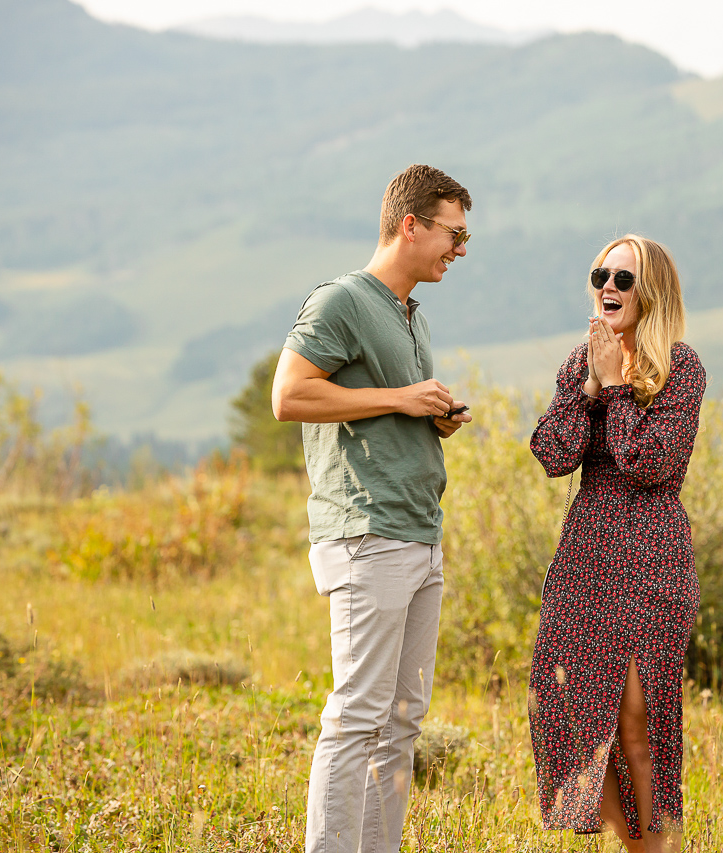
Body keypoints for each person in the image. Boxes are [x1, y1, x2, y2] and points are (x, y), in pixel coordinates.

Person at [271, 164, 474, 853]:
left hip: (420, 536)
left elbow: (382, 407)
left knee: (403, 721)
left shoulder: (410, 313)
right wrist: (398, 399)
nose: (461, 248)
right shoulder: (342, 301)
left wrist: (431, 417)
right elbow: (289, 395)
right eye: (454, 232)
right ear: (410, 224)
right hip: (366, 535)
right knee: (357, 715)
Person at [528, 234, 706, 853]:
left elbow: (650, 462)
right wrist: (590, 389)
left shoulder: (682, 368)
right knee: (567, 711)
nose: (608, 286)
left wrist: (623, 387)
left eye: (624, 279)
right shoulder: (581, 364)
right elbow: (553, 454)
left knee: (637, 723)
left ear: (651, 292)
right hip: (584, 560)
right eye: (601, 274)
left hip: (653, 558)